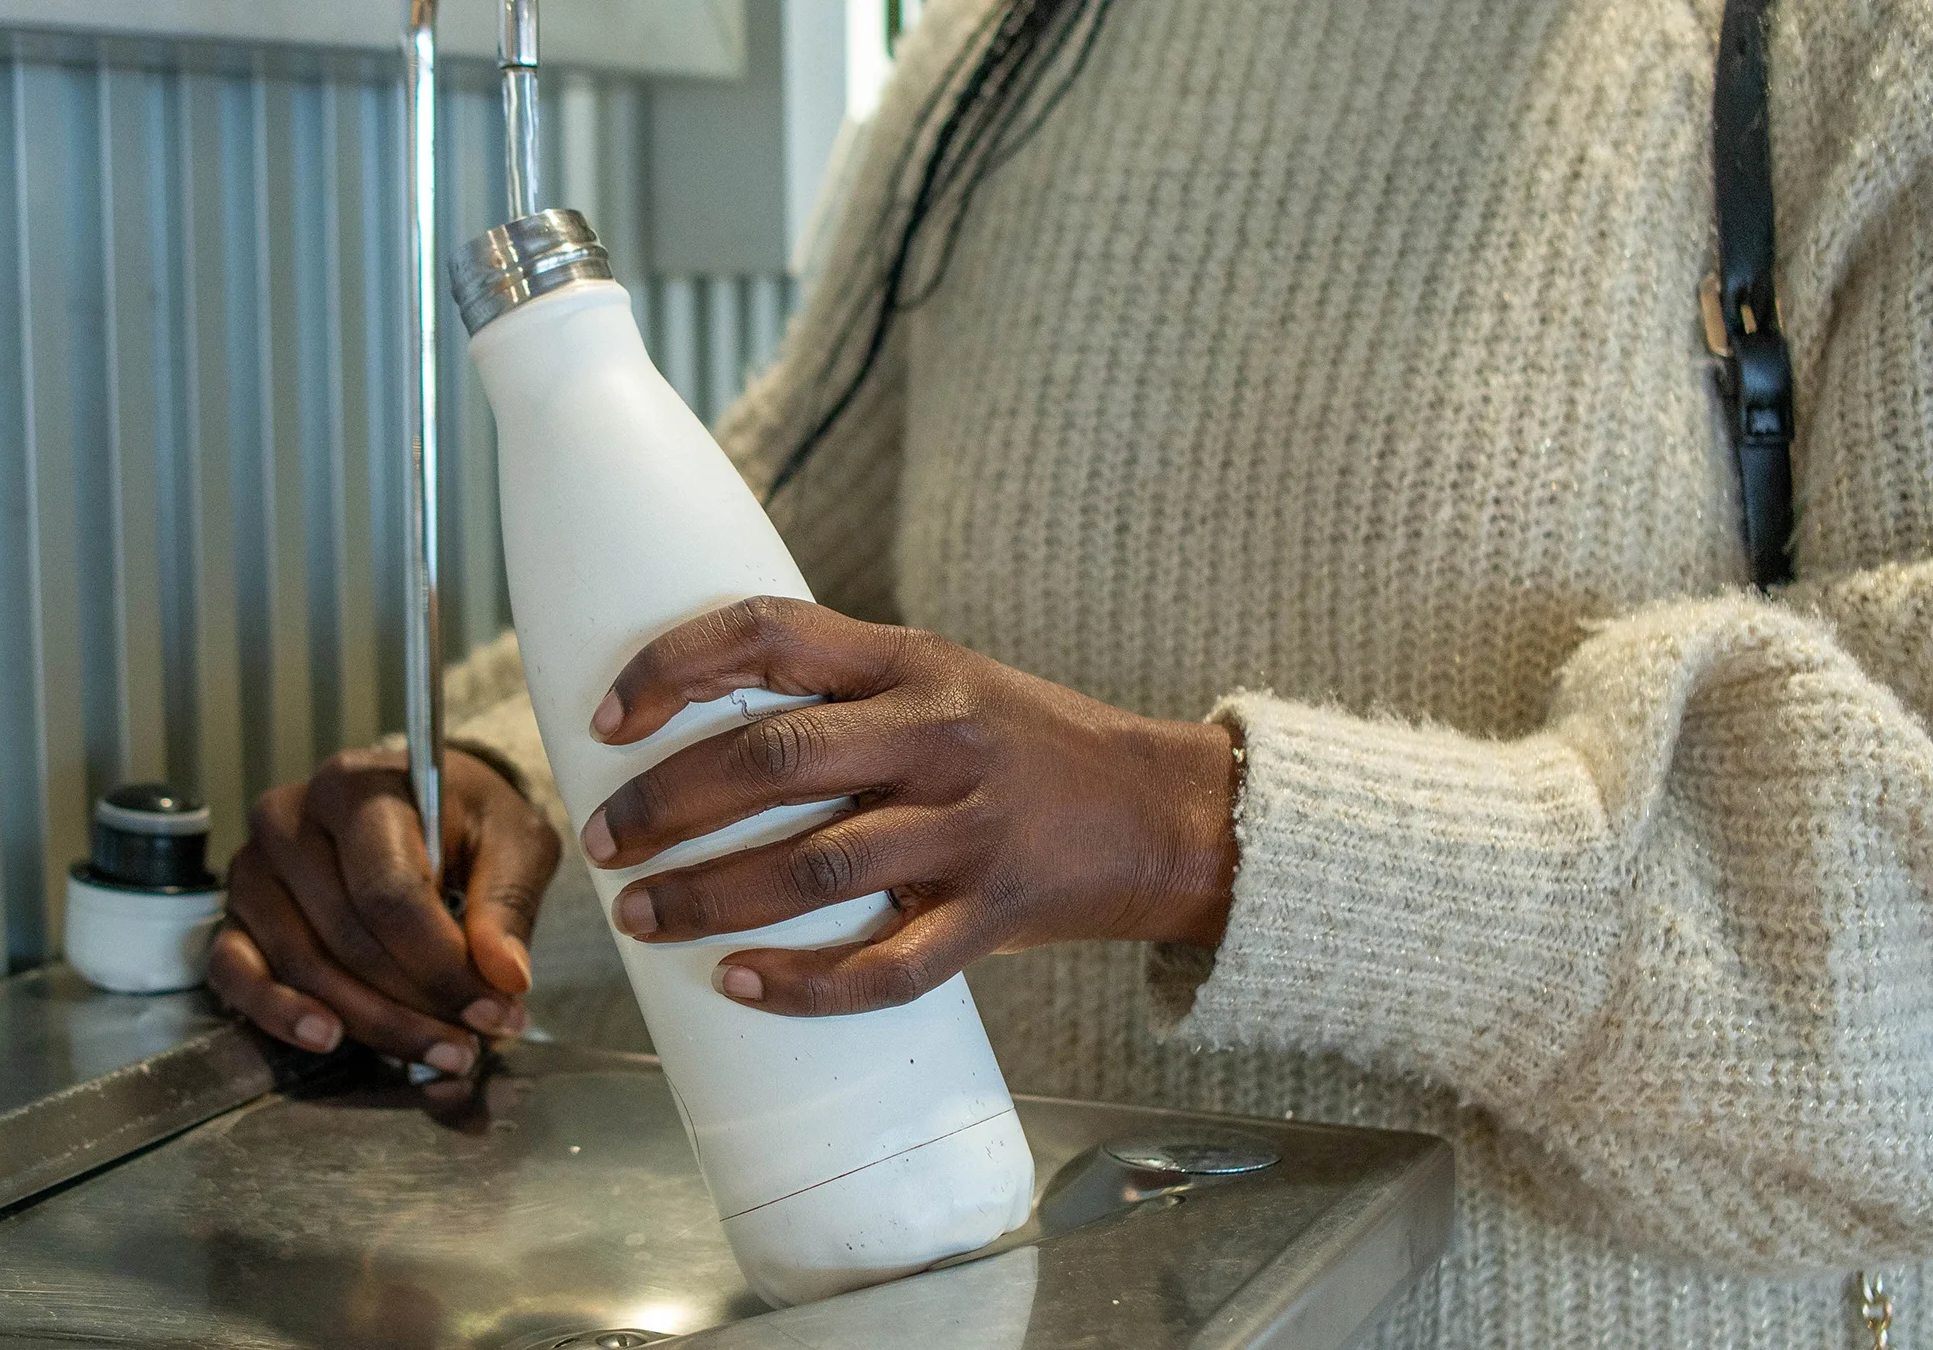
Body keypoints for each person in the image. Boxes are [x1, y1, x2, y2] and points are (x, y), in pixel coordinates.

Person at [206, 0, 1933, 1343]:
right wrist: (493, 797)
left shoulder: (1842, 54)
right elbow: (776, 584)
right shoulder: (1011, 54)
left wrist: (1199, 834)